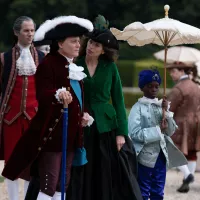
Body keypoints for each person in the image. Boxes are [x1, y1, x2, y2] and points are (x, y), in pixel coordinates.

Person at [1, 15, 94, 200]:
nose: (78, 45)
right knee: (48, 184)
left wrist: (83, 115)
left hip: (71, 134)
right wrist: (57, 95)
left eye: (79, 42)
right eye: (74, 41)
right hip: (52, 135)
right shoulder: (48, 64)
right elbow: (43, 94)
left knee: (63, 183)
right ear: (60, 43)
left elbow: (77, 98)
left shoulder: (73, 66)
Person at [68, 15, 142, 200]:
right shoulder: (75, 65)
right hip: (81, 123)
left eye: (97, 45)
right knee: (82, 166)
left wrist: (121, 133)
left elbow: (118, 100)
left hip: (106, 126)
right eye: (91, 42)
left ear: (103, 50)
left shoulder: (110, 68)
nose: (92, 47)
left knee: (105, 169)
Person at [0, 16, 45, 200]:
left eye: (32, 30)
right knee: (11, 162)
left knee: (30, 163)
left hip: (34, 118)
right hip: (11, 118)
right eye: (26, 30)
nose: (30, 34)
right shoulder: (4, 58)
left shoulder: (42, 58)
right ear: (16, 32)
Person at [128, 69, 187, 200]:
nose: (154, 89)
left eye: (156, 86)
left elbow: (170, 131)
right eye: (150, 86)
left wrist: (167, 111)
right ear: (143, 87)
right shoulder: (137, 108)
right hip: (144, 158)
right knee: (143, 191)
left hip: (161, 156)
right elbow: (134, 133)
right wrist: (157, 130)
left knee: (158, 192)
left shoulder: (161, 107)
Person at [167, 63, 200, 193]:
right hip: (196, 122)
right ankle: (186, 181)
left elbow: (169, 109)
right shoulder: (196, 87)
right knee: (191, 152)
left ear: (181, 71)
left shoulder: (179, 89)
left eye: (173, 71)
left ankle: (187, 175)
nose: (171, 74)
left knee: (172, 149)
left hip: (181, 124)